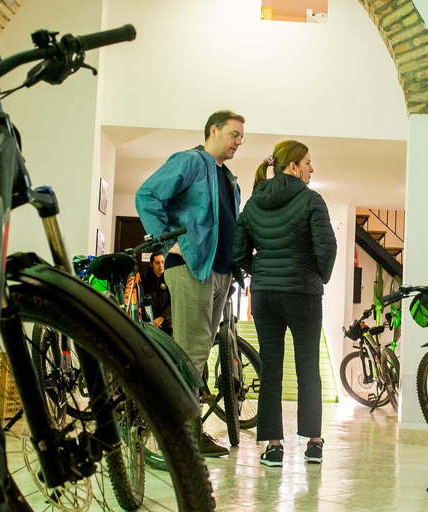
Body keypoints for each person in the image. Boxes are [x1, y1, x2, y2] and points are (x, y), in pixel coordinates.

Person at [135, 110, 245, 457]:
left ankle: (183, 428)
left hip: (219, 271)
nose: (238, 142)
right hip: (191, 267)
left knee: (196, 351)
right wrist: (166, 241)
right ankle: (184, 433)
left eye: (242, 137)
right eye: (234, 134)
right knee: (190, 352)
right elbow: (147, 195)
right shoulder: (191, 161)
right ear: (213, 130)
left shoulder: (228, 178)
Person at [233, 140, 337, 467]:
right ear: (292, 166)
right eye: (308, 162)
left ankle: (274, 446)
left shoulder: (252, 204)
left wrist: (261, 273)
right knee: (308, 367)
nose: (312, 168)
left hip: (265, 295)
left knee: (271, 368)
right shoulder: (311, 200)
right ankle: (314, 443)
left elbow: (239, 253)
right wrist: (316, 275)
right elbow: (327, 248)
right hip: (303, 293)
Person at [142, 252, 172, 336]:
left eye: (163, 262)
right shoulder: (145, 279)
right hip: (149, 323)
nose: (161, 266)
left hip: (167, 323)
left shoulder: (169, 278)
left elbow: (174, 301)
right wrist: (152, 320)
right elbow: (142, 300)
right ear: (151, 264)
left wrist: (162, 317)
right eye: (157, 263)